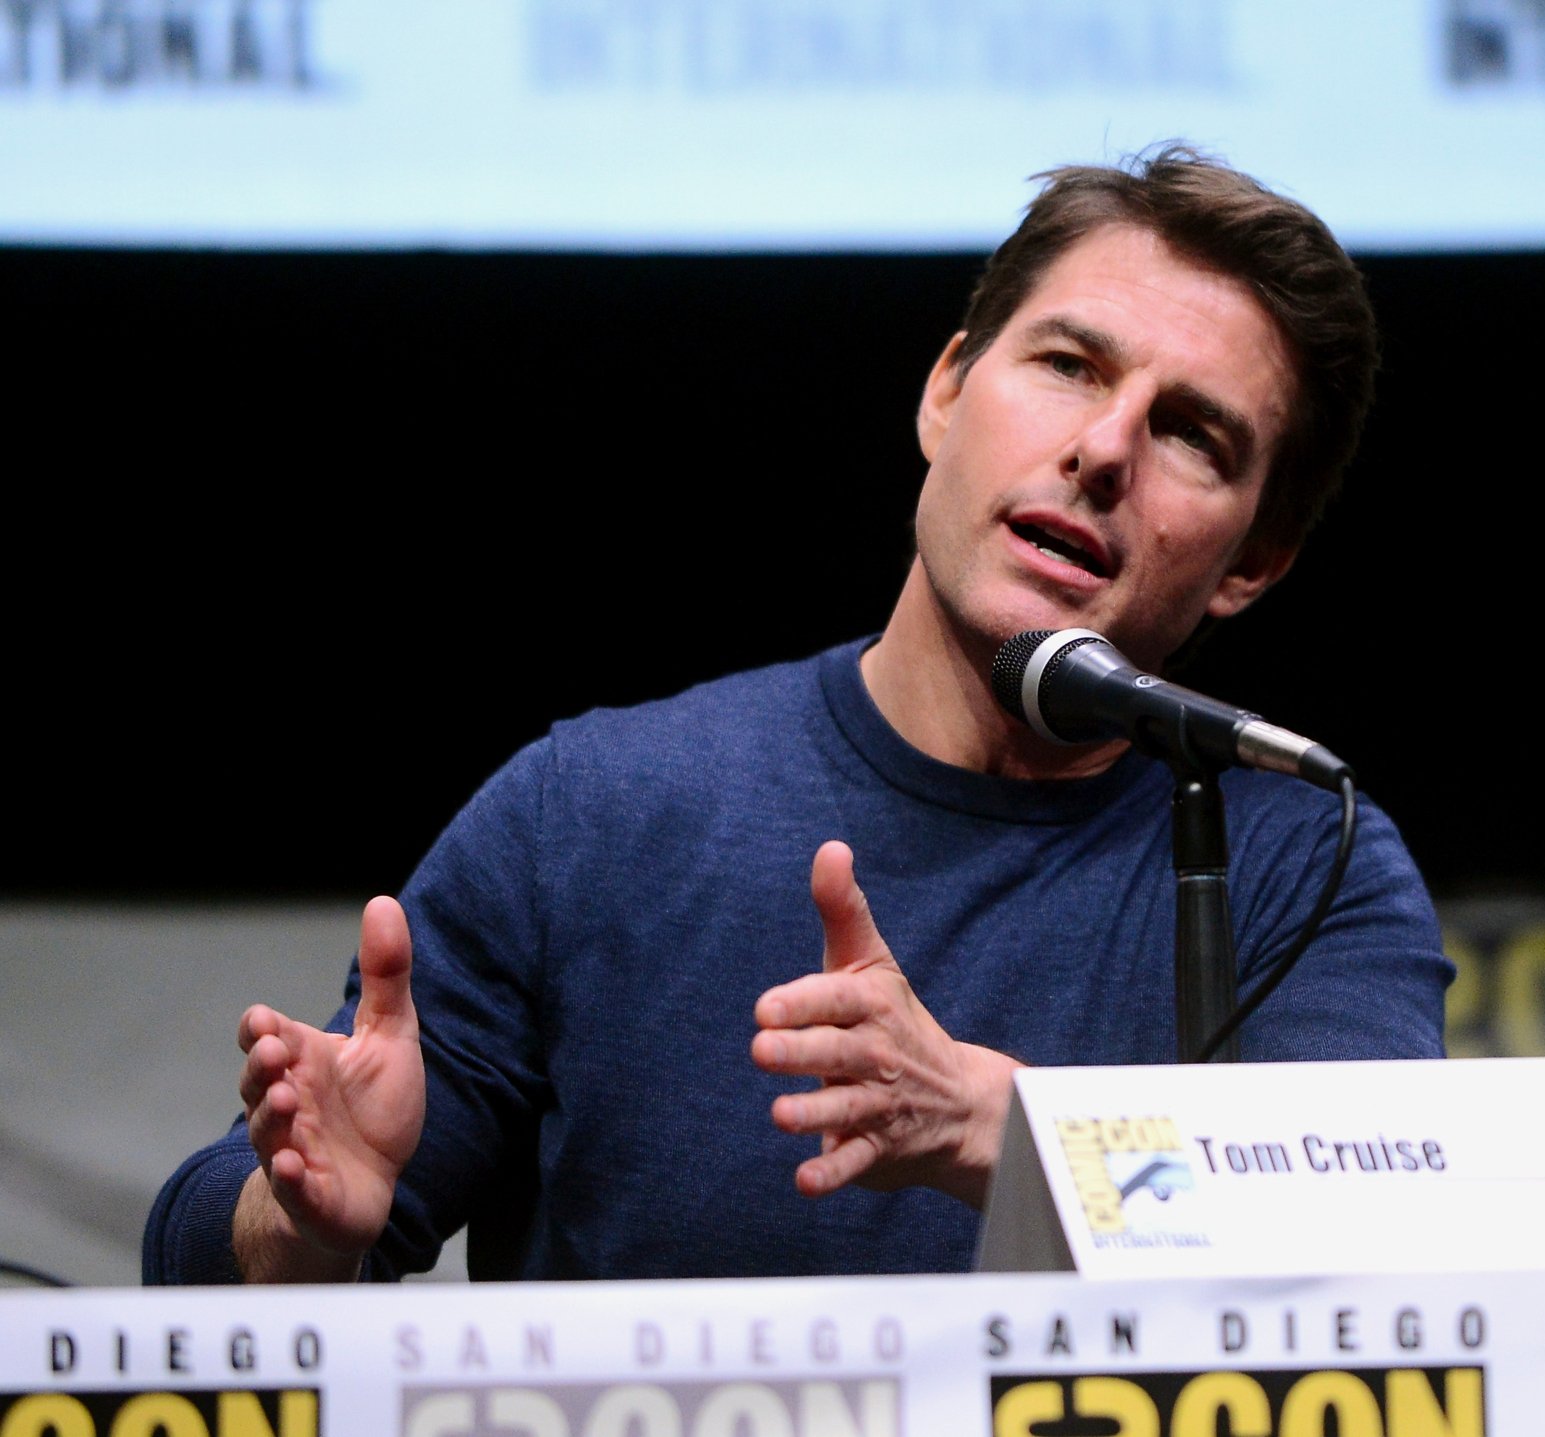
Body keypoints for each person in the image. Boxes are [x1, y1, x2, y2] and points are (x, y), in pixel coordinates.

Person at [144, 144, 1454, 1285]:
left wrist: (995, 1125)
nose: (1104, 447)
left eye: (1192, 435)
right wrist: (305, 1219)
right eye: (1067, 363)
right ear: (945, 391)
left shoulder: (1308, 867)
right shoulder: (596, 809)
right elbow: (199, 1267)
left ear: (1253, 563)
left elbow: (1393, 1241)